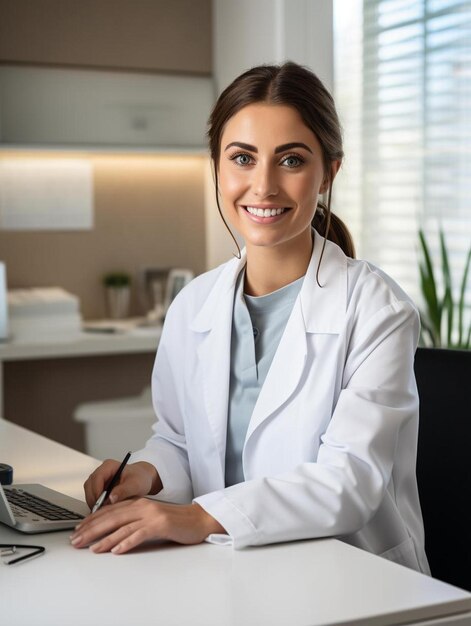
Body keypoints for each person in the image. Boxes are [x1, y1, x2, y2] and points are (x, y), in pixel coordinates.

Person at [71, 62, 430, 575]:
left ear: (329, 171)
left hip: (355, 575)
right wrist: (147, 475)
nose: (263, 186)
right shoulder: (194, 304)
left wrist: (198, 517)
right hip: (233, 567)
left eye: (291, 160)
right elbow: (178, 440)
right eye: (242, 158)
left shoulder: (376, 309)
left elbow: (350, 481)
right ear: (217, 165)